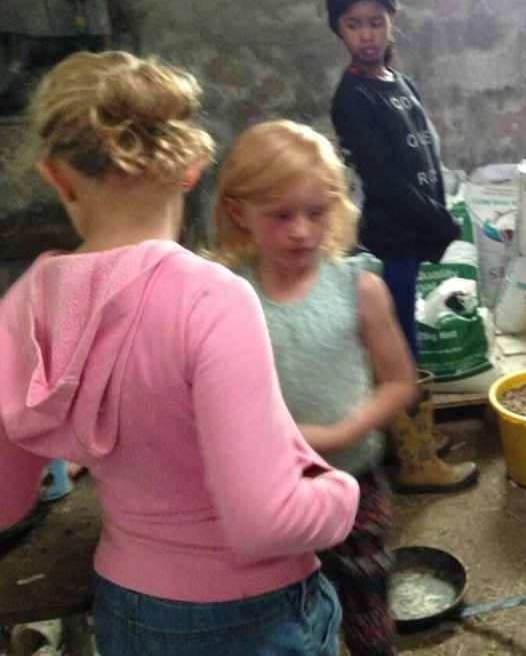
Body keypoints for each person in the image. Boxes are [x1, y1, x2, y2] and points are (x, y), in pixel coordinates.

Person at [0, 51, 360, 655]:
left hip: (129, 611)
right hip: (250, 618)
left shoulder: (23, 304)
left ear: (56, 177)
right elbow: (263, 521)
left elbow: (6, 499)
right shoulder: (212, 299)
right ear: (192, 166)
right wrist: (339, 497)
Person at [211, 119, 416, 655]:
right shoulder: (227, 296)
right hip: (265, 490)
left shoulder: (358, 286)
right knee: (284, 613)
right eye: (280, 216)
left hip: (352, 480)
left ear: (337, 206)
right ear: (240, 213)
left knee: (368, 602)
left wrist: (340, 432)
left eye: (316, 213)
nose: (301, 231)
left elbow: (400, 382)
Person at [325, 0, 477, 493]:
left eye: (375, 21)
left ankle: (410, 439)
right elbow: (385, 181)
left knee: (406, 335)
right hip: (389, 238)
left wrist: (439, 210)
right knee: (398, 347)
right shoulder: (353, 98)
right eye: (353, 24)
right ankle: (414, 461)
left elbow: (425, 155)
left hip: (413, 234)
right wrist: (437, 220)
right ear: (338, 30)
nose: (366, 34)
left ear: (392, 23)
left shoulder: (400, 83)